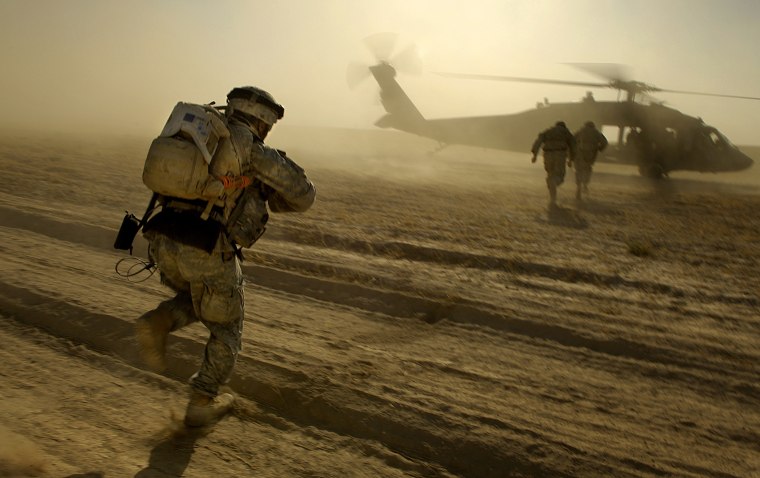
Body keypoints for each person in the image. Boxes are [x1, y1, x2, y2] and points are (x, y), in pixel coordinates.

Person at [135, 86, 316, 427]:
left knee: (198, 297)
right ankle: (202, 400)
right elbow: (304, 197)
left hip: (161, 238)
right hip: (204, 245)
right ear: (262, 121)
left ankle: (159, 321)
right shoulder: (250, 148)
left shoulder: (201, 137)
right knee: (227, 328)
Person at [531, 121, 576, 207]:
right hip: (560, 155)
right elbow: (573, 146)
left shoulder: (548, 131)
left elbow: (538, 142)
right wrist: (571, 160)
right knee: (559, 175)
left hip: (547, 155)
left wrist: (534, 155)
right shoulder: (566, 132)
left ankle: (553, 198)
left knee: (550, 174)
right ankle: (553, 188)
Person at [572, 121, 607, 200]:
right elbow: (604, 142)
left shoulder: (581, 131)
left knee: (579, 170)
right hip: (591, 154)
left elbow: (572, 140)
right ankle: (585, 183)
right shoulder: (596, 132)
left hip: (580, 153)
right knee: (587, 169)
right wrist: (599, 149)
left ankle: (579, 187)